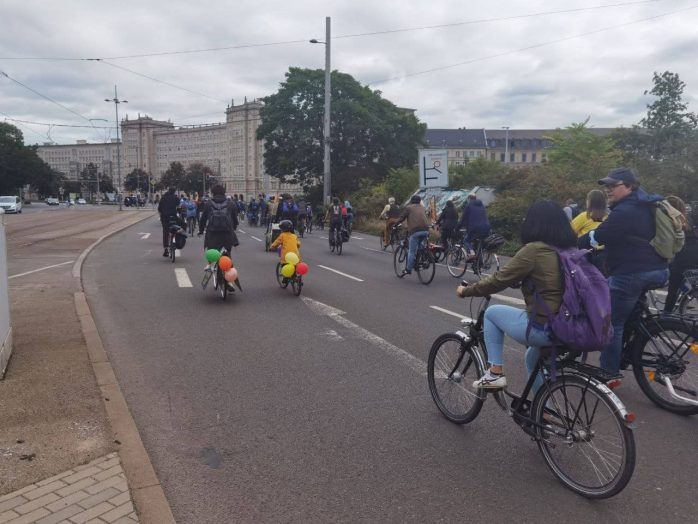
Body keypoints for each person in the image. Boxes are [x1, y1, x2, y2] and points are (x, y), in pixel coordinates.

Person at [456, 200, 574, 390]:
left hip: (545, 327)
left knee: (491, 313)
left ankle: (495, 373)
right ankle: (544, 406)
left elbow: (497, 280)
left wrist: (466, 291)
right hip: (571, 326)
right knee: (531, 360)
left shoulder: (534, 250)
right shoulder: (569, 250)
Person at [579, 167, 669, 374]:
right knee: (627, 314)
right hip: (659, 269)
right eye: (606, 186)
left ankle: (608, 373)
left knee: (612, 324)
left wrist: (578, 243)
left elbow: (601, 235)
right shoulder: (645, 204)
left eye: (613, 186)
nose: (608, 190)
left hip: (632, 273)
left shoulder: (625, 210)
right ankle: (629, 349)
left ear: (629, 186)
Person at [199, 185, 240, 292]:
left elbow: (203, 219)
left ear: (213, 192)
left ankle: (210, 265)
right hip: (227, 234)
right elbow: (235, 219)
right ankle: (230, 282)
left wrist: (201, 230)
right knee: (227, 256)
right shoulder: (230, 203)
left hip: (213, 234)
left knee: (212, 251)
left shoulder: (209, 203)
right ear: (224, 192)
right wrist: (233, 228)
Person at [663, 196, 698, 313]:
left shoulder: (670, 221)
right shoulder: (687, 220)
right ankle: (686, 293)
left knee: (672, 286)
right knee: (678, 275)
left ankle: (666, 314)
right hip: (694, 254)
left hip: (684, 257)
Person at [571, 189, 608, 275]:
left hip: (586, 254)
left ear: (590, 202)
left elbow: (569, 231)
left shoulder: (585, 216)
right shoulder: (608, 216)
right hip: (604, 255)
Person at [393, 195, 430, 276]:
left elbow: (402, 218)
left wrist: (395, 225)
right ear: (419, 201)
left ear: (411, 201)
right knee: (420, 246)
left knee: (411, 251)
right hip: (426, 230)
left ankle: (408, 269)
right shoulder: (422, 208)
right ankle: (421, 259)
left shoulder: (409, 208)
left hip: (415, 231)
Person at [157, 187, 180, 257]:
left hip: (165, 217)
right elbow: (178, 205)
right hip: (173, 217)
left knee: (165, 232)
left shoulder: (163, 198)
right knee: (178, 227)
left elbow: (159, 208)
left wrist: (161, 214)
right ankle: (177, 241)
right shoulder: (175, 198)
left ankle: (166, 249)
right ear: (174, 192)